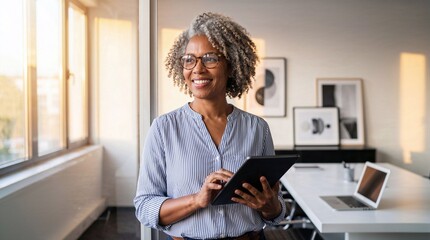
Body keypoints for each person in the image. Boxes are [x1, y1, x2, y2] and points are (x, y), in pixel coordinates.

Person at [134, 12, 286, 240]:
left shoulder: (258, 129)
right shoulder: (163, 129)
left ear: (231, 65)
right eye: (189, 59)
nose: (198, 68)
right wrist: (197, 199)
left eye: (210, 58)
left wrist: (269, 206)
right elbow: (144, 207)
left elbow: (276, 209)